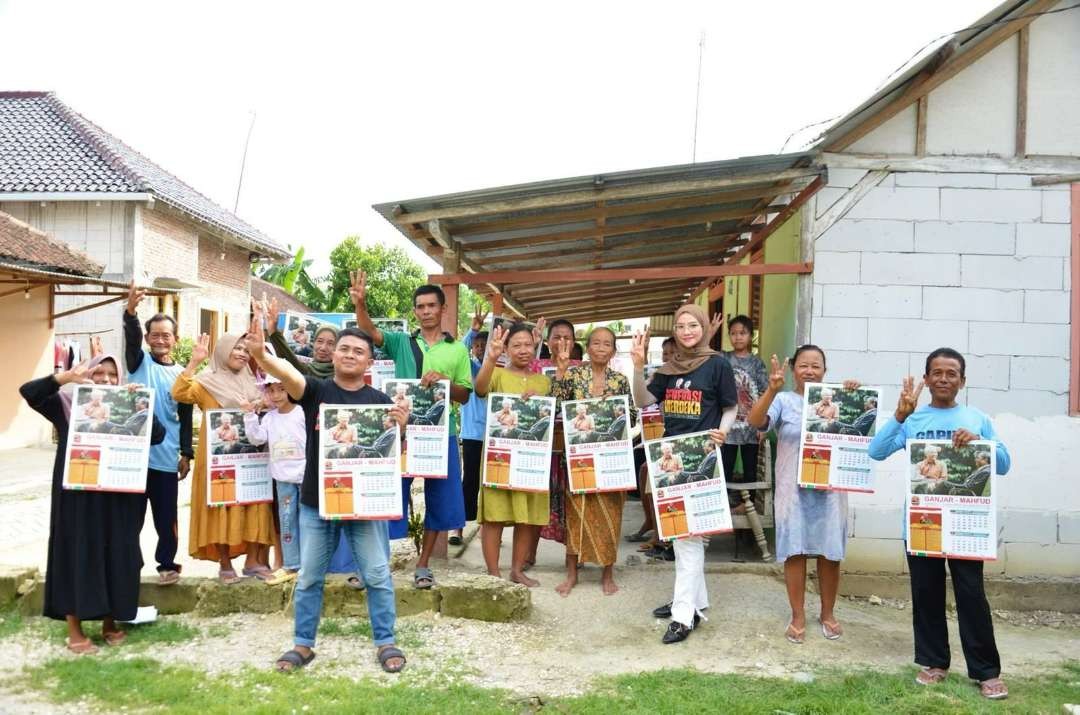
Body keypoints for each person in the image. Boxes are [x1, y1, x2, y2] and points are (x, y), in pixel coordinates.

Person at [246, 312, 408, 674]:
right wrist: (261, 354)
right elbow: (288, 374)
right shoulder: (316, 391)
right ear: (333, 355)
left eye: (358, 351)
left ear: (369, 361)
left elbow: (390, 453)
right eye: (343, 349)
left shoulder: (380, 401)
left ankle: (386, 641)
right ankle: (303, 645)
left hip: (363, 505)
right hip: (316, 502)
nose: (350, 354)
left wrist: (403, 425)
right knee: (309, 578)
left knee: (378, 575)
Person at [868, 348, 1011, 700]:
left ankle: (986, 671)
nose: (944, 379)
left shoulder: (977, 418)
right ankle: (934, 663)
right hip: (923, 523)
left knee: (971, 595)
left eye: (951, 373)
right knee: (927, 593)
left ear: (962, 380)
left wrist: (981, 442)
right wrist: (899, 416)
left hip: (965, 524)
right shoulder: (914, 420)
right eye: (937, 372)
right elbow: (876, 451)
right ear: (927, 378)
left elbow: (1004, 464)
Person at [20, 354, 165, 654]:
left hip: (119, 493)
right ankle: (74, 630)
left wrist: (143, 405)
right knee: (76, 552)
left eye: (113, 375)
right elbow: (29, 392)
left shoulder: (127, 407)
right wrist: (66, 377)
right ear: (88, 375)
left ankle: (110, 623)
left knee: (117, 553)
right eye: (99, 373)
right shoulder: (67, 405)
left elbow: (159, 436)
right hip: (78, 495)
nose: (107, 380)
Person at [350, 272, 472, 590]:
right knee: (388, 497)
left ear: (442, 309)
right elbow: (369, 331)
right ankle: (376, 565)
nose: (426, 311)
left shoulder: (457, 350)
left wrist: (446, 383)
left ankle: (423, 565)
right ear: (415, 311)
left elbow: (466, 394)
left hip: (440, 435)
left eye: (432, 305)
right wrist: (360, 303)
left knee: (439, 501)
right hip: (400, 434)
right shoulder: (400, 342)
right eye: (420, 306)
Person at [630, 304, 737, 643]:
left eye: (693, 325)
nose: (687, 330)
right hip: (669, 457)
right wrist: (636, 366)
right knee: (682, 536)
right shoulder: (669, 368)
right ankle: (692, 601)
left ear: (704, 328)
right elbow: (643, 400)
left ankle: (682, 617)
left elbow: (730, 406)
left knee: (688, 540)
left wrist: (723, 432)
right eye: (680, 326)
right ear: (674, 331)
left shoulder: (718, 364)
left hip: (701, 457)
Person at [747, 346, 861, 645]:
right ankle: (797, 615)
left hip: (831, 489)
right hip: (793, 489)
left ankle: (827, 613)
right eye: (803, 365)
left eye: (816, 366)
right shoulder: (783, 400)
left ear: (825, 370)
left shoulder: (836, 400)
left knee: (829, 552)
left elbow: (859, 429)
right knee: (795, 550)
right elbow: (755, 422)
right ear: (793, 369)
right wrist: (771, 391)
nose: (810, 371)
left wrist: (853, 397)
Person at [172, 333, 274, 584]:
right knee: (221, 507)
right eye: (236, 348)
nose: (241, 353)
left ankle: (253, 561)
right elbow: (179, 392)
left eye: (245, 350)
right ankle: (225, 564)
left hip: (251, 457)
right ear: (223, 350)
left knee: (254, 504)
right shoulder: (207, 381)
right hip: (218, 460)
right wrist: (195, 362)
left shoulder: (253, 381)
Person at [549, 326, 636, 596]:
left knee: (611, 513)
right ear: (587, 347)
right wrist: (561, 372)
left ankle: (607, 573)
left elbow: (631, 415)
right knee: (577, 514)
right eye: (595, 343)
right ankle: (572, 573)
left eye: (606, 344)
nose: (600, 347)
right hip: (579, 458)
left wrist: (613, 413)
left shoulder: (620, 380)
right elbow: (556, 405)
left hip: (610, 458)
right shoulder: (573, 375)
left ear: (613, 350)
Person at [123, 282, 193, 586]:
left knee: (166, 518)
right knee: (130, 520)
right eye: (155, 335)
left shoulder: (182, 375)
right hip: (134, 458)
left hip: (166, 458)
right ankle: (128, 565)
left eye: (166, 335)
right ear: (148, 339)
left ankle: (167, 564)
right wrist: (131, 313)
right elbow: (131, 339)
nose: (160, 340)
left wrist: (187, 453)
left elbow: (187, 415)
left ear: (175, 340)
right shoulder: (138, 363)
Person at [474, 322, 552, 587]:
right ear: (506, 349)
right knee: (494, 515)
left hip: (531, 459)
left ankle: (517, 570)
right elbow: (480, 389)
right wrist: (491, 358)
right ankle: (494, 572)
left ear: (535, 346)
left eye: (528, 344)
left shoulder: (543, 382)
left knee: (527, 517)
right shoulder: (496, 374)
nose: (523, 350)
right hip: (500, 456)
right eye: (516, 345)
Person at [242, 373, 306, 586]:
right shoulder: (270, 418)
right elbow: (257, 438)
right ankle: (291, 564)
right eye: (271, 390)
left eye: (282, 388)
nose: (277, 395)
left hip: (305, 476)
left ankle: (310, 563)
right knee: (287, 520)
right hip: (282, 477)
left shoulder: (302, 413)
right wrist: (250, 415)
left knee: (308, 520)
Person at [628, 337, 678, 548]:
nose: (667, 357)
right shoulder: (662, 375)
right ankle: (651, 522)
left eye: (671, 353)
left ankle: (660, 533)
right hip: (663, 436)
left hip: (676, 440)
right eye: (664, 353)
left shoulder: (682, 374)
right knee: (644, 470)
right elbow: (643, 395)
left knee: (651, 474)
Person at [721, 315, 768, 486]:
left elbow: (765, 393)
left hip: (751, 424)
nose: (738, 337)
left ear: (750, 335)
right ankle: (725, 500)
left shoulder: (757, 364)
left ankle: (748, 503)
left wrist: (763, 425)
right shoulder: (723, 358)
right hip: (727, 424)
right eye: (733, 333)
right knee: (725, 465)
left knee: (750, 468)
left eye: (743, 333)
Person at [457, 309, 490, 545]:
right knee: (468, 481)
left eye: (483, 345)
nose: (479, 348)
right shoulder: (467, 367)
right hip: (471, 434)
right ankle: (458, 529)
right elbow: (458, 349)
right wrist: (473, 330)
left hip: (495, 436)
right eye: (477, 344)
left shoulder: (497, 370)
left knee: (490, 484)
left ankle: (490, 531)